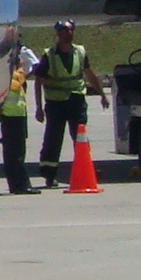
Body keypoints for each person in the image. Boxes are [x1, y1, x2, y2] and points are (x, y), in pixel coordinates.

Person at [34, 20, 108, 188]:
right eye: (65, 30)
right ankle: (49, 174)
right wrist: (39, 108)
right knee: (53, 139)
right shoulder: (49, 55)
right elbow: (38, 81)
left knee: (80, 137)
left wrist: (102, 94)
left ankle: (86, 169)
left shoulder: (80, 52)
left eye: (71, 30)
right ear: (58, 33)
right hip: (56, 103)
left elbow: (89, 74)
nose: (69, 33)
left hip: (76, 101)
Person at [0, 49, 39, 195]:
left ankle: (17, 184)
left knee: (17, 152)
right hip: (11, 116)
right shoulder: (9, 75)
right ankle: (21, 185)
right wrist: (20, 68)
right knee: (15, 154)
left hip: (17, 115)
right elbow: (17, 82)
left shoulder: (8, 74)